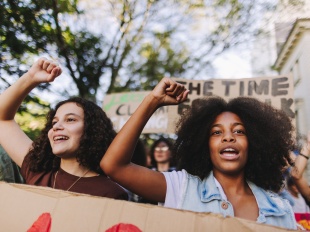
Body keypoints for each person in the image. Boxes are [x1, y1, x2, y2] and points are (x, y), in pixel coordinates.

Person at [101, 77, 298, 229]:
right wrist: (153, 101)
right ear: (204, 145)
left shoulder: (282, 211)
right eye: (216, 132)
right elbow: (114, 166)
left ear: (254, 142)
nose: (228, 138)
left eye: (239, 131)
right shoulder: (181, 188)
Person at [0, 58, 128, 200]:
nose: (57, 127)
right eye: (54, 122)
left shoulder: (111, 193)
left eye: (70, 120)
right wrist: (30, 78)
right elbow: (2, 118)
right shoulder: (38, 171)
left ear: (93, 130)